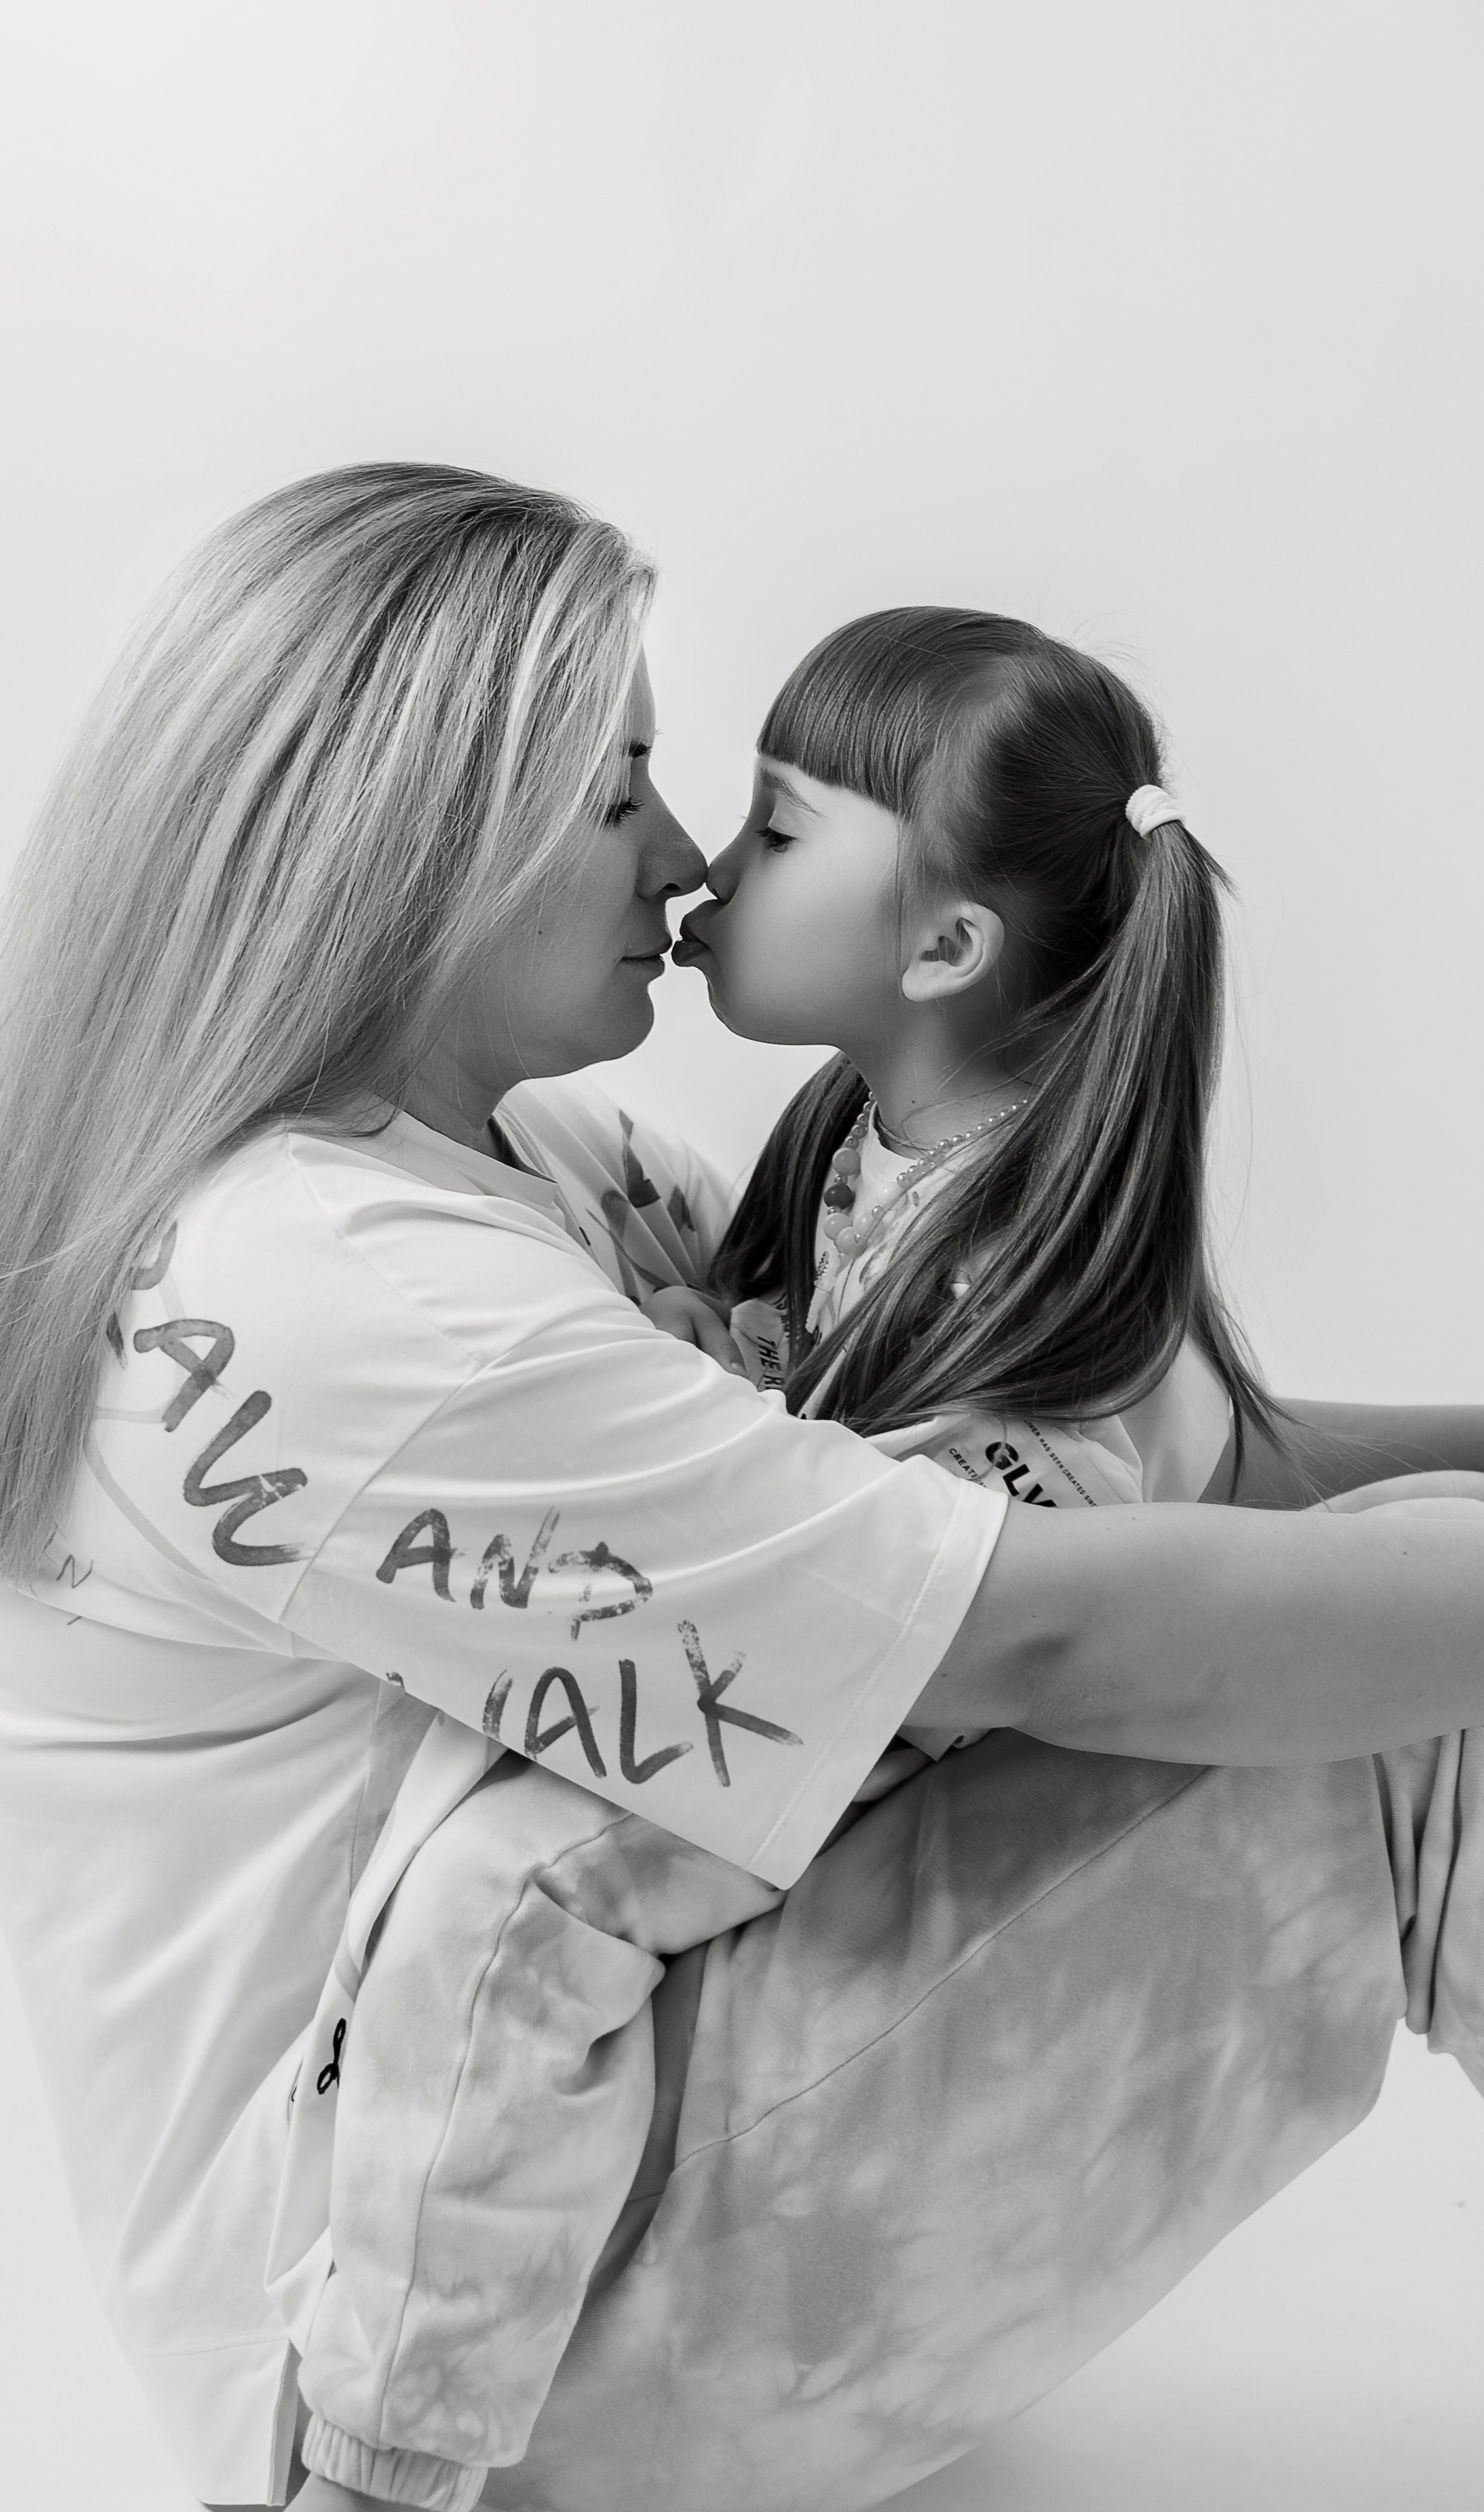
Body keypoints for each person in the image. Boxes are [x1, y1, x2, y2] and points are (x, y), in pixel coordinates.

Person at [0, 464, 1484, 2512]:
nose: (686, 853)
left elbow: (1129, 1464)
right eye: (623, 783)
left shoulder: (531, 1172)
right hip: (454, 2363)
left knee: (1385, 1609)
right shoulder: (347, 1298)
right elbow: (1045, 1613)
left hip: (561, 2187)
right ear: (431, 839)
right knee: (1425, 1706)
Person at [281, 603, 1484, 2508]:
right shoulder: (859, 1131)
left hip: (937, 1634)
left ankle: (372, 2464)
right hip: (885, 1631)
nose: (697, 865)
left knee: (502, 1890)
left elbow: (1026, 1540)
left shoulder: (1009, 1216)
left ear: (941, 942)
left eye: (770, 827)